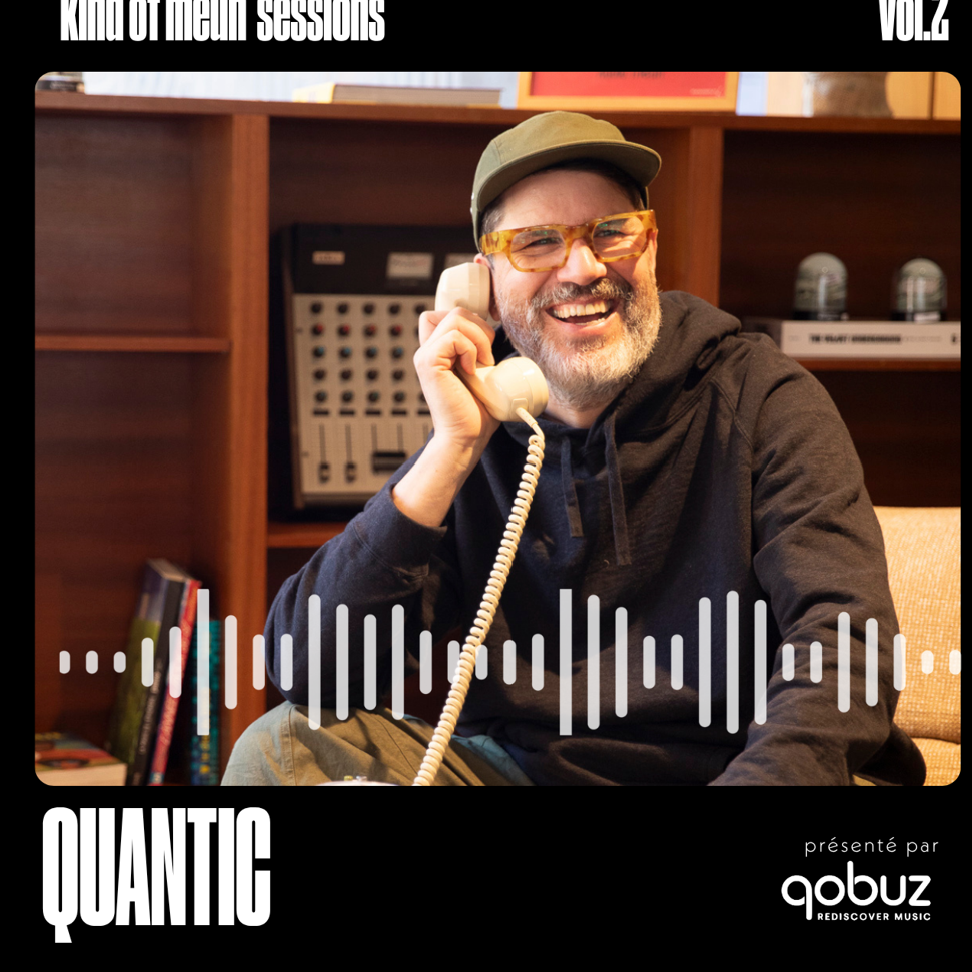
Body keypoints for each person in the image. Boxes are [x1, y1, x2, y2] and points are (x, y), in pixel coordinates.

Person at [223, 111, 926, 787]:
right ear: (483, 283)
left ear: (650, 247)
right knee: (285, 748)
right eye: (537, 243)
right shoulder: (484, 427)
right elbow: (307, 672)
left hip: (738, 767)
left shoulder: (764, 397)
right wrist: (450, 450)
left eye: (612, 232)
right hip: (522, 773)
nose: (582, 267)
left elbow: (847, 644)